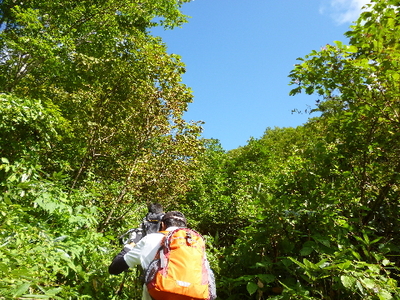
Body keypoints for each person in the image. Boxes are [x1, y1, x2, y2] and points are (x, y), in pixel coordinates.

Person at [109, 211, 216, 300]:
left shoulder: (150, 239)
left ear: (163, 225)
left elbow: (115, 268)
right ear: (184, 227)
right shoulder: (194, 243)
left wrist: (132, 243)